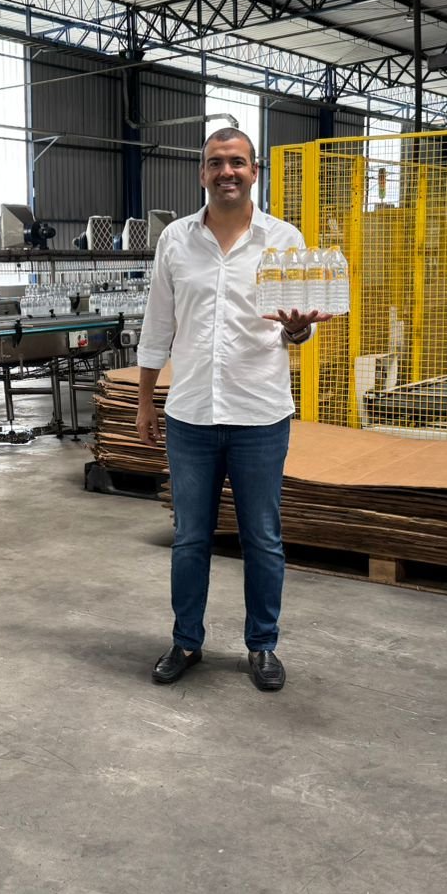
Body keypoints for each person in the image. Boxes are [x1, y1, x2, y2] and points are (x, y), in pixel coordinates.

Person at [135, 128, 331, 692]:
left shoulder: (284, 239)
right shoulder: (176, 239)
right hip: (191, 416)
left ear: (254, 172)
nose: (227, 171)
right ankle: (186, 641)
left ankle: (262, 646)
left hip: (259, 415)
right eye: (216, 162)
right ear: (202, 173)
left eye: (238, 162)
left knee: (262, 538)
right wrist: (145, 402)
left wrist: (299, 331)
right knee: (190, 538)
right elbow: (157, 325)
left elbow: (298, 328)